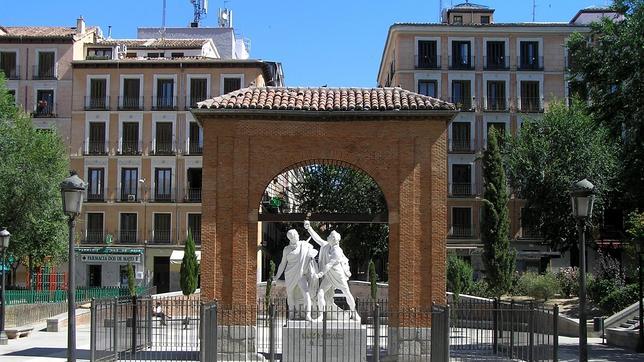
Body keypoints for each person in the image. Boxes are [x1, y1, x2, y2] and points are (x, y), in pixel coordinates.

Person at [304, 221, 360, 321]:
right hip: (329, 275)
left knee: (347, 293)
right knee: (320, 293)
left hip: (338, 275)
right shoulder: (326, 246)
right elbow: (317, 239)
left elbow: (329, 264)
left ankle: (354, 312)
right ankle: (321, 315)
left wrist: (319, 274)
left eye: (330, 236)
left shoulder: (337, 251)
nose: (328, 236)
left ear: (334, 239)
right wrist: (309, 228)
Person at [275, 227, 319, 321]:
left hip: (301, 274)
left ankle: (308, 315)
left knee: (306, 292)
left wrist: (310, 256)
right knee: (290, 294)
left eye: (296, 235)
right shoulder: (287, 249)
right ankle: (291, 314)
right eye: (293, 236)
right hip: (289, 274)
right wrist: (277, 276)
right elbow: (282, 264)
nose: (296, 237)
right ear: (290, 238)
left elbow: (313, 253)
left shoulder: (305, 245)